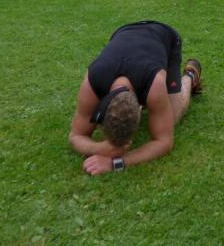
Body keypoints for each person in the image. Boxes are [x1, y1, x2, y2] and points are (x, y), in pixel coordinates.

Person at [68, 21, 203, 176]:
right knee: (160, 111)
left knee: (171, 117)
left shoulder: (155, 84)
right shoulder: (93, 80)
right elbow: (75, 136)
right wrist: (99, 148)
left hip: (164, 35)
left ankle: (189, 77)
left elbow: (164, 142)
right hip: (125, 31)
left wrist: (116, 163)